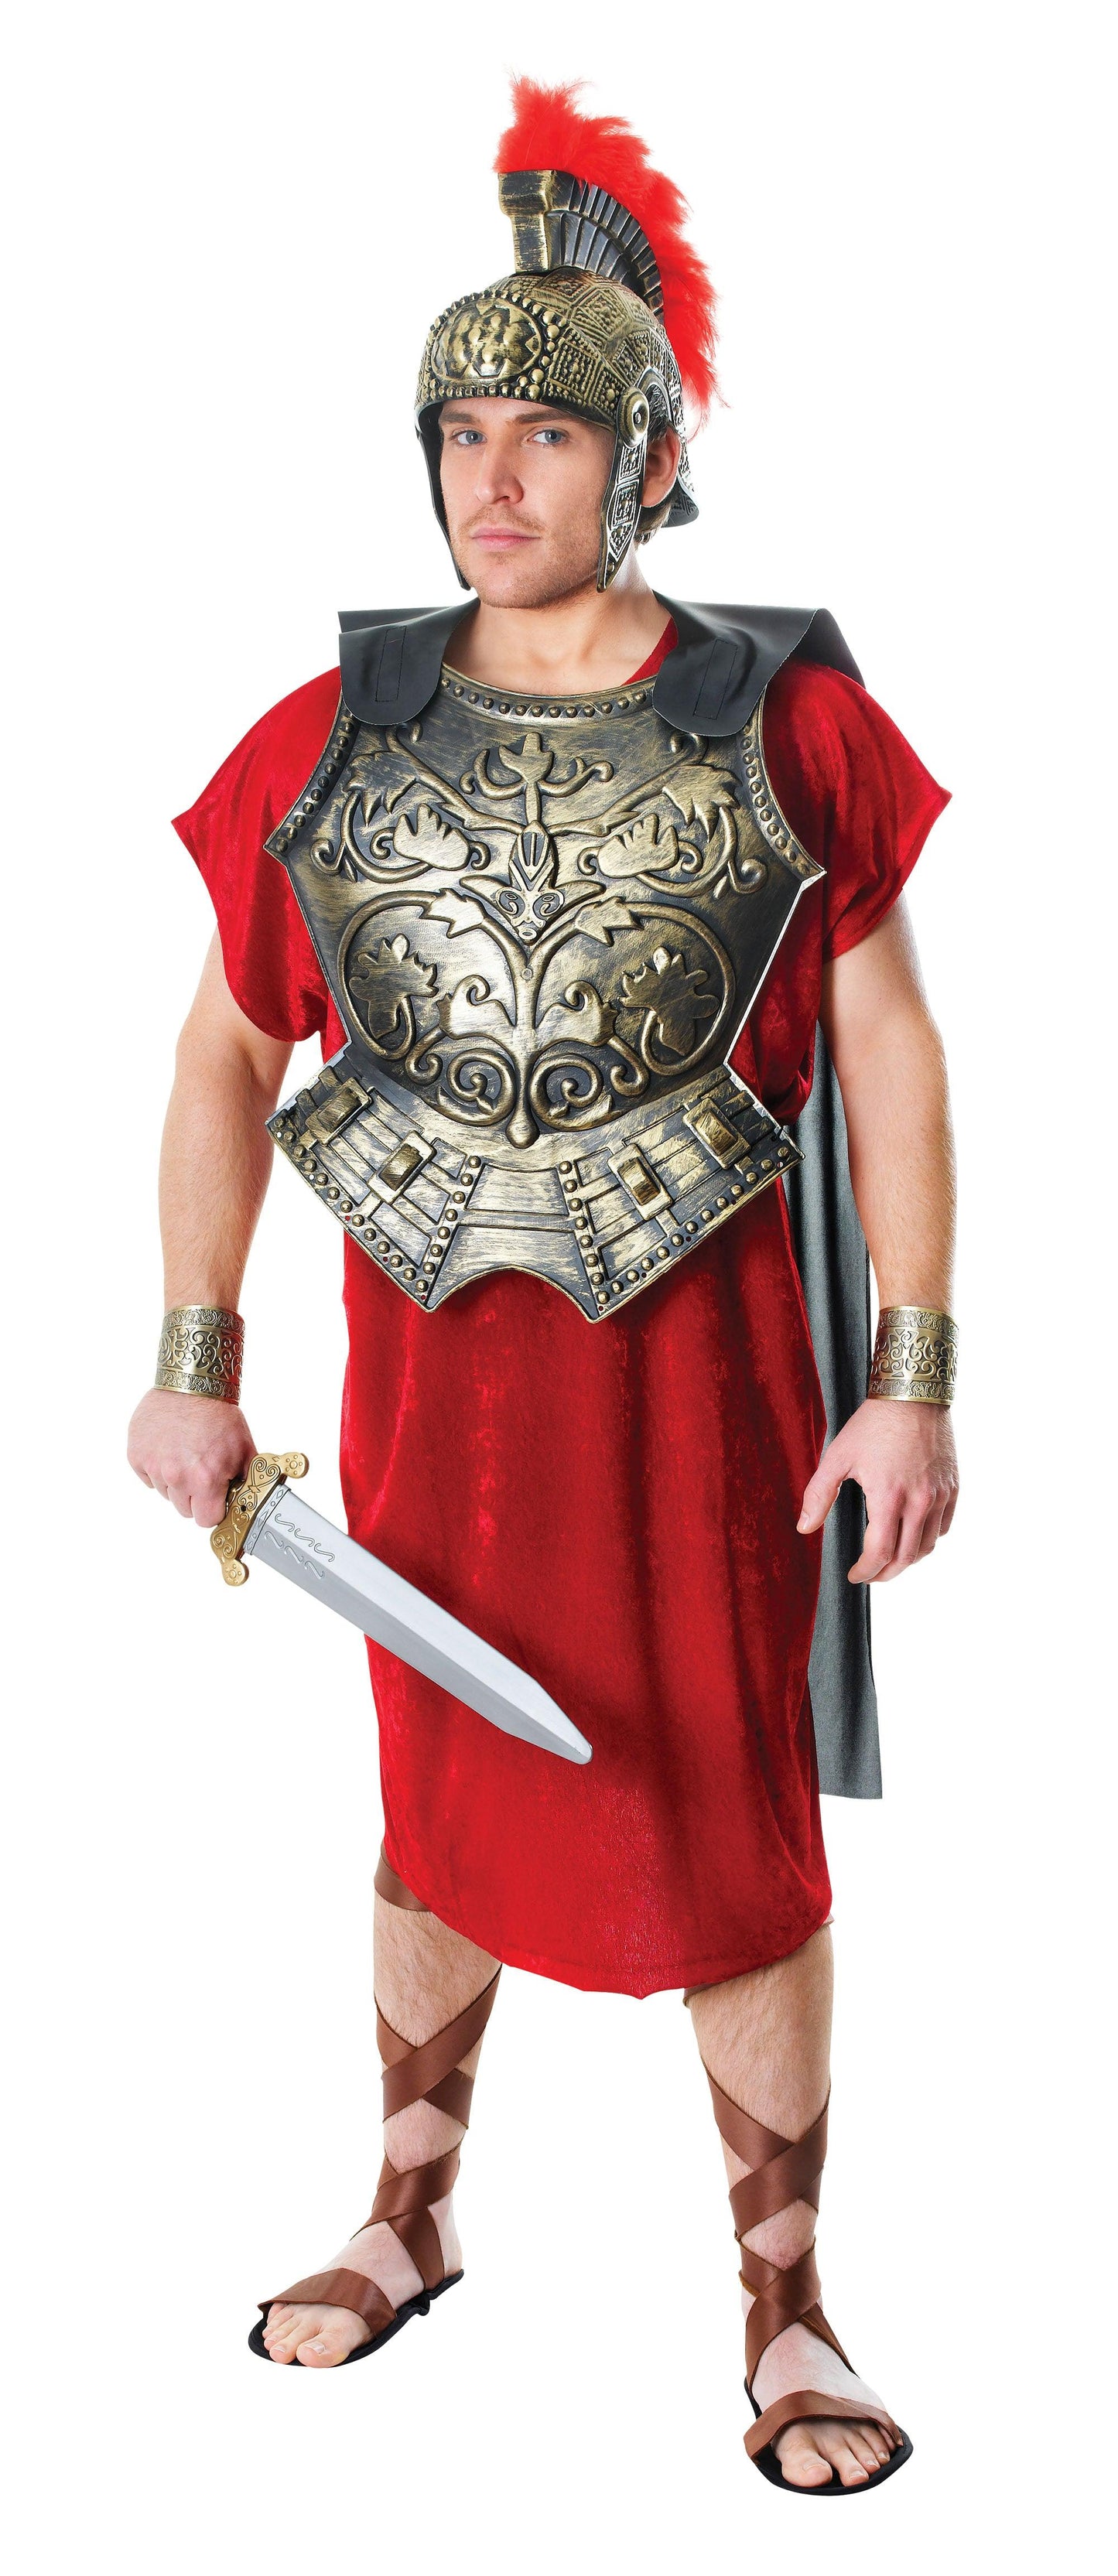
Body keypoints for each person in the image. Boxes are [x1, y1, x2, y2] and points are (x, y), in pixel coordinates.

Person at [128, 80, 958, 2493]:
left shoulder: (788, 726)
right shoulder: (336, 737)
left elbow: (896, 1057)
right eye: (461, 434)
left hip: (712, 1388)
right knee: (435, 1795)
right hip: (430, 1394)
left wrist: (913, 1374)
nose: (494, 479)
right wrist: (195, 1355)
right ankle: (412, 2205)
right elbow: (223, 1050)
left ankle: (787, 2305)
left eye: (548, 434)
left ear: (645, 458)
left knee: (734, 1822)